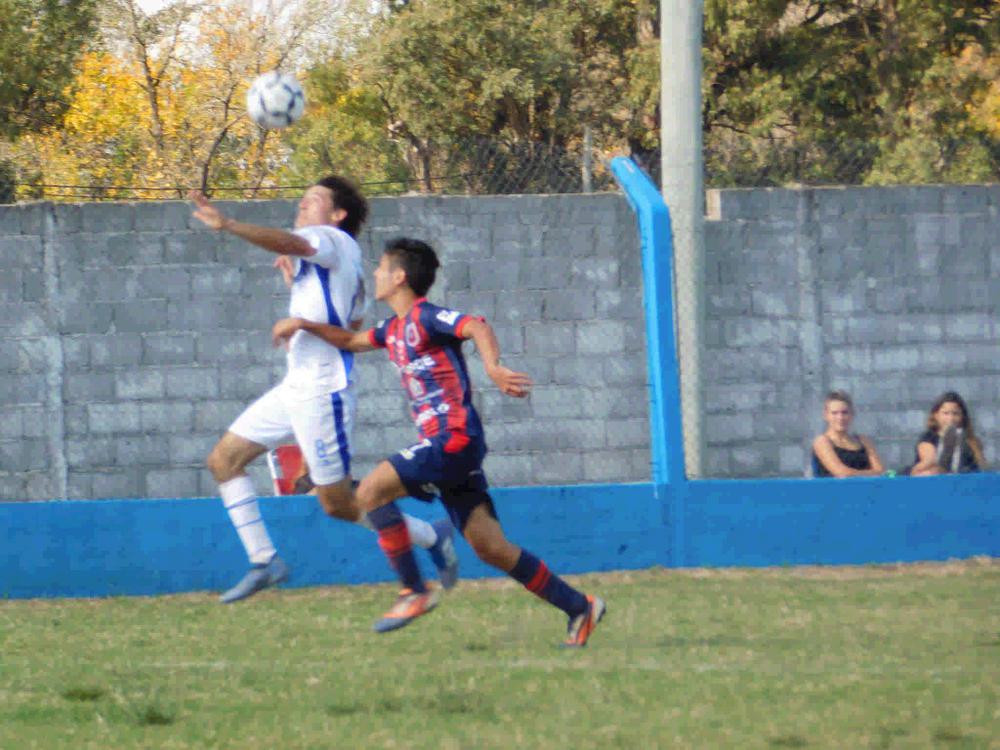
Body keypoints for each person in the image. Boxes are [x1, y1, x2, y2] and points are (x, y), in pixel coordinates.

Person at [272, 237, 606, 647]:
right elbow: (347, 341)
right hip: (447, 447)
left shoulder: (427, 318)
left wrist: (494, 367)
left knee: (374, 490)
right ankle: (579, 607)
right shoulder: (392, 330)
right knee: (491, 548)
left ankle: (413, 591)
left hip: (455, 437)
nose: (375, 273)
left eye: (381, 267)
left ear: (399, 277)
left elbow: (475, 325)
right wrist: (303, 321)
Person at [188, 179, 458, 604]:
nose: (302, 204)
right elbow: (349, 325)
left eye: (313, 200)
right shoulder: (335, 263)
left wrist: (228, 224)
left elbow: (293, 241)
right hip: (296, 385)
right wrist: (301, 298)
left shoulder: (329, 238)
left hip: (322, 391)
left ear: (338, 216)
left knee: (337, 504)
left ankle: (430, 535)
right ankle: (264, 561)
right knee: (224, 459)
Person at [907, 391, 986, 476]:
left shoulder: (970, 441)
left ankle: (948, 465)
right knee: (928, 471)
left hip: (961, 479)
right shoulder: (929, 437)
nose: (951, 418)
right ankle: (944, 460)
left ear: (962, 416)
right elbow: (929, 459)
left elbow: (979, 467)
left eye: (955, 414)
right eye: (945, 413)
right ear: (936, 415)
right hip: (933, 477)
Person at [810, 390, 885, 478]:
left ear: (852, 414)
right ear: (826, 415)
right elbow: (841, 473)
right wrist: (871, 473)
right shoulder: (822, 441)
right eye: (834, 413)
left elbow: (881, 471)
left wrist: (854, 473)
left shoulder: (863, 440)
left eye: (844, 412)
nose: (840, 417)